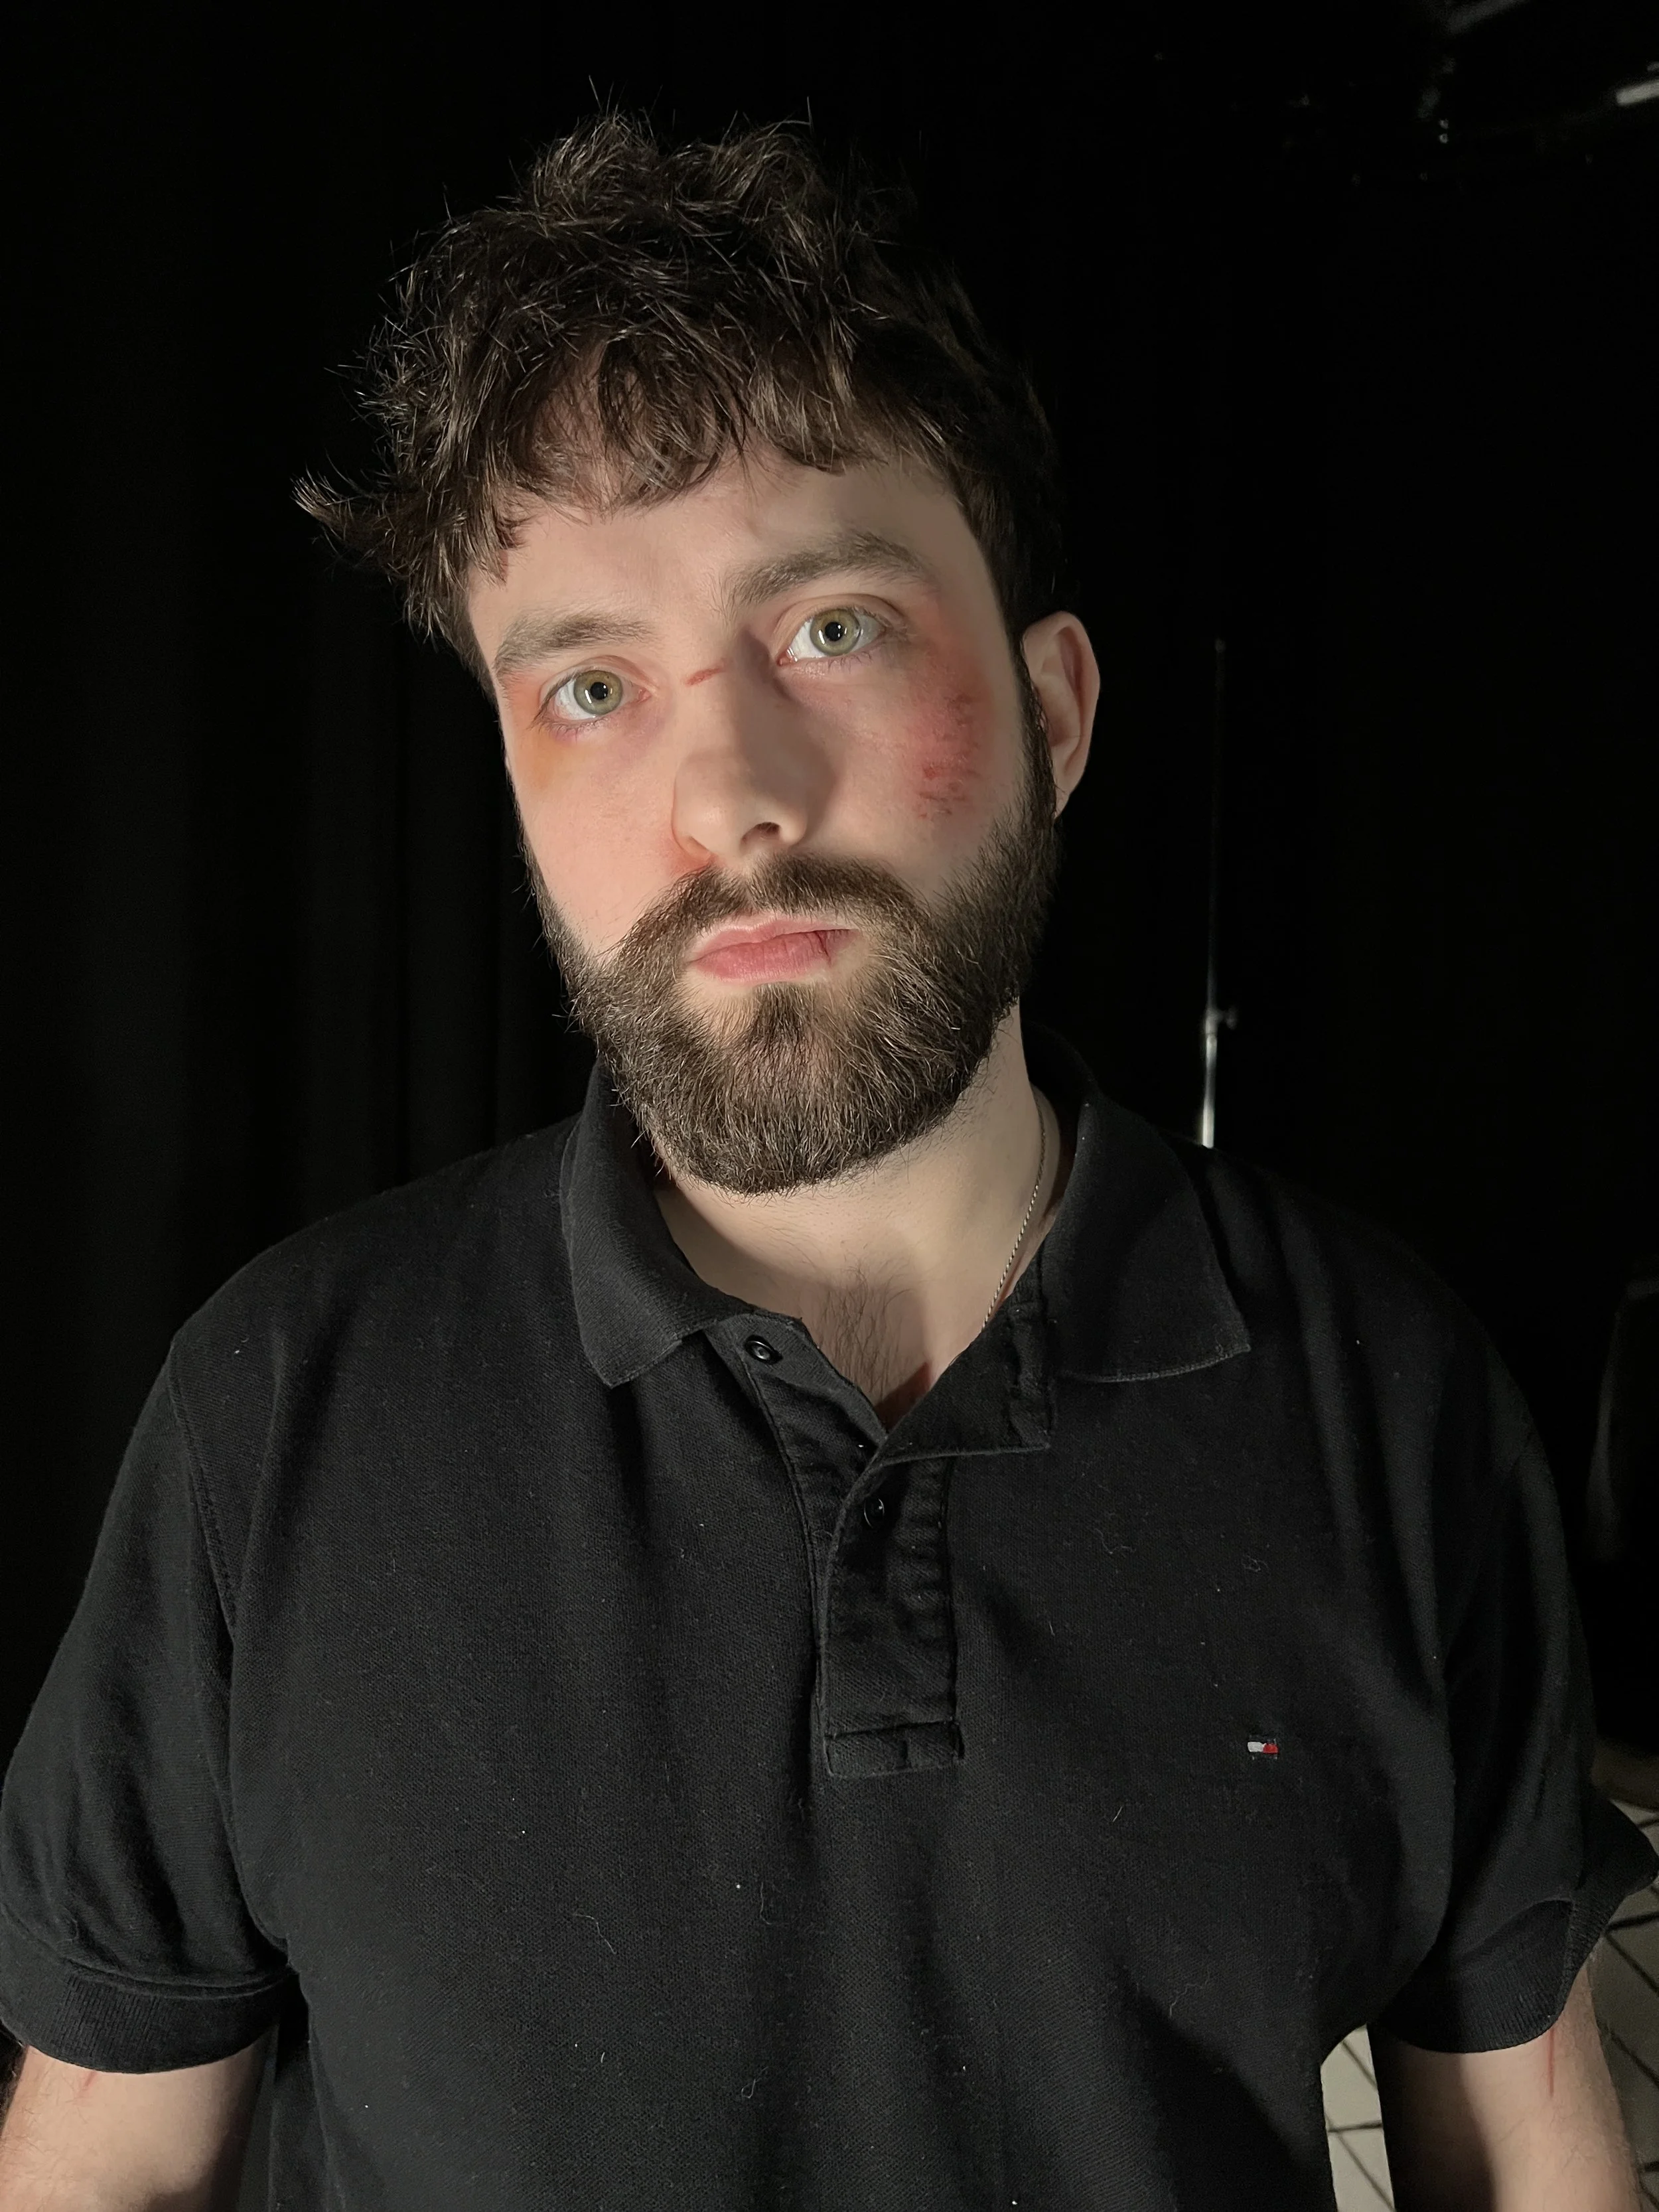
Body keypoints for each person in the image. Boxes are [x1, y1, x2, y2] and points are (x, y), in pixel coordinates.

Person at [0, 115, 1651, 2212]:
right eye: (590, 682)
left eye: (833, 628)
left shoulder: (1385, 1402)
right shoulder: (276, 1415)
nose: (728, 794)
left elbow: (1523, 2156)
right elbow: (105, 2168)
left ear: (1057, 712)